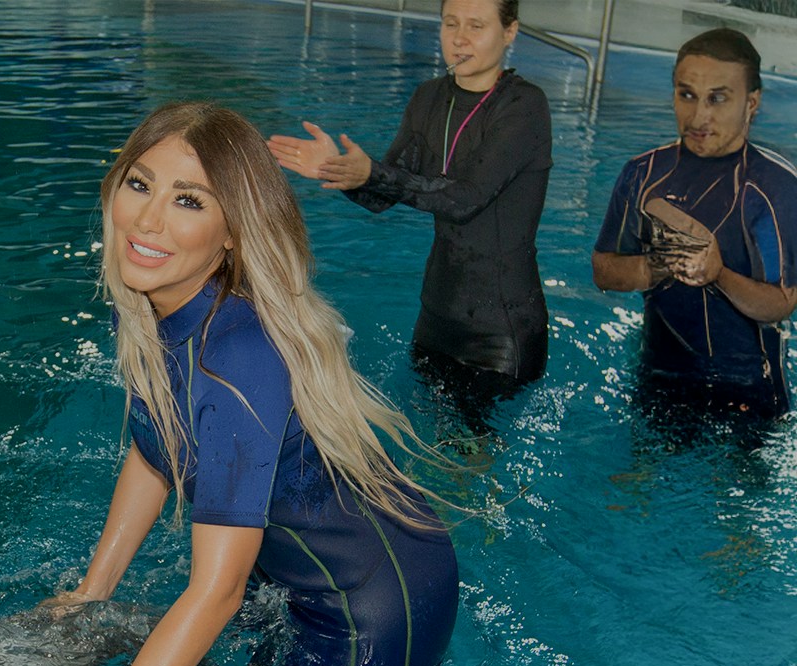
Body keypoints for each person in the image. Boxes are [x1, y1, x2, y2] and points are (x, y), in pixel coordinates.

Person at [16, 103, 460, 666]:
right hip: (304, 564)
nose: (149, 220)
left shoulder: (235, 359)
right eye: (140, 183)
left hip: (369, 601)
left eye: (188, 200)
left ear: (232, 234)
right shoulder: (169, 312)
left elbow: (215, 591)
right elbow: (155, 450)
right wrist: (95, 590)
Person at [266, 0, 551, 425]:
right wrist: (343, 172)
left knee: (469, 465)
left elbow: (465, 199)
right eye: (450, 23)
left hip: (499, 332)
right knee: (421, 443)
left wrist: (372, 173)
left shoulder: (524, 107)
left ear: (510, 32)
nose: (459, 38)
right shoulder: (430, 98)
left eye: (477, 25)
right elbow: (384, 195)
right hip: (436, 320)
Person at [591, 27, 797, 425]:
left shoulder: (777, 187)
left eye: (718, 98)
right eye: (687, 95)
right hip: (660, 376)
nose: (699, 115)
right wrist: (655, 266)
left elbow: (782, 303)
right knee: (634, 484)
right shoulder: (642, 174)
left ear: (752, 102)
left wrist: (717, 274)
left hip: (751, 389)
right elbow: (603, 270)